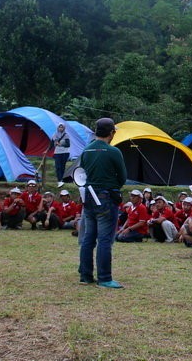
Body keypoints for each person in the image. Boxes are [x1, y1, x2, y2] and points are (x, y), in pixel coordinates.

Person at [79, 117, 127, 288]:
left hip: (88, 197)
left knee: (88, 238)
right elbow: (122, 178)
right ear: (112, 132)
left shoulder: (86, 151)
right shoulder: (114, 152)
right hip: (106, 199)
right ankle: (105, 278)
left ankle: (85, 276)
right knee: (105, 240)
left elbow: (82, 173)